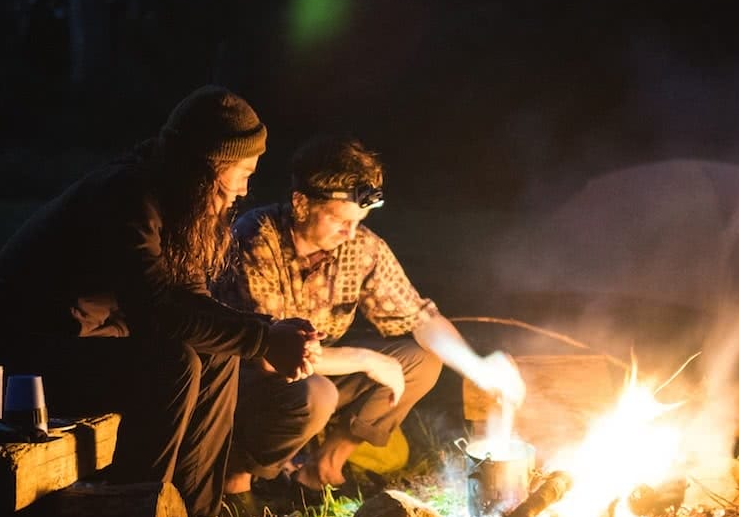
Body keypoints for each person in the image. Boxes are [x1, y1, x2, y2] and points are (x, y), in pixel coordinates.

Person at [0, 86, 319, 517]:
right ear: (207, 168)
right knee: (173, 361)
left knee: (218, 355)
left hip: (72, 348)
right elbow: (156, 309)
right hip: (11, 368)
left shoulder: (178, 205)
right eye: (242, 173)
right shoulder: (126, 195)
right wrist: (263, 339)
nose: (244, 189)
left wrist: (265, 332)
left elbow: (191, 300)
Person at [212, 135, 523, 497]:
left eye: (359, 221)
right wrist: (364, 358)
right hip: (241, 382)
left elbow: (420, 318)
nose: (350, 233)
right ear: (301, 204)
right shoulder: (256, 237)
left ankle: (323, 467)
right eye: (340, 220)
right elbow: (268, 354)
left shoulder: (360, 248)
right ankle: (238, 477)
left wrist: (478, 367)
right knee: (318, 394)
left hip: (314, 376)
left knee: (421, 361)